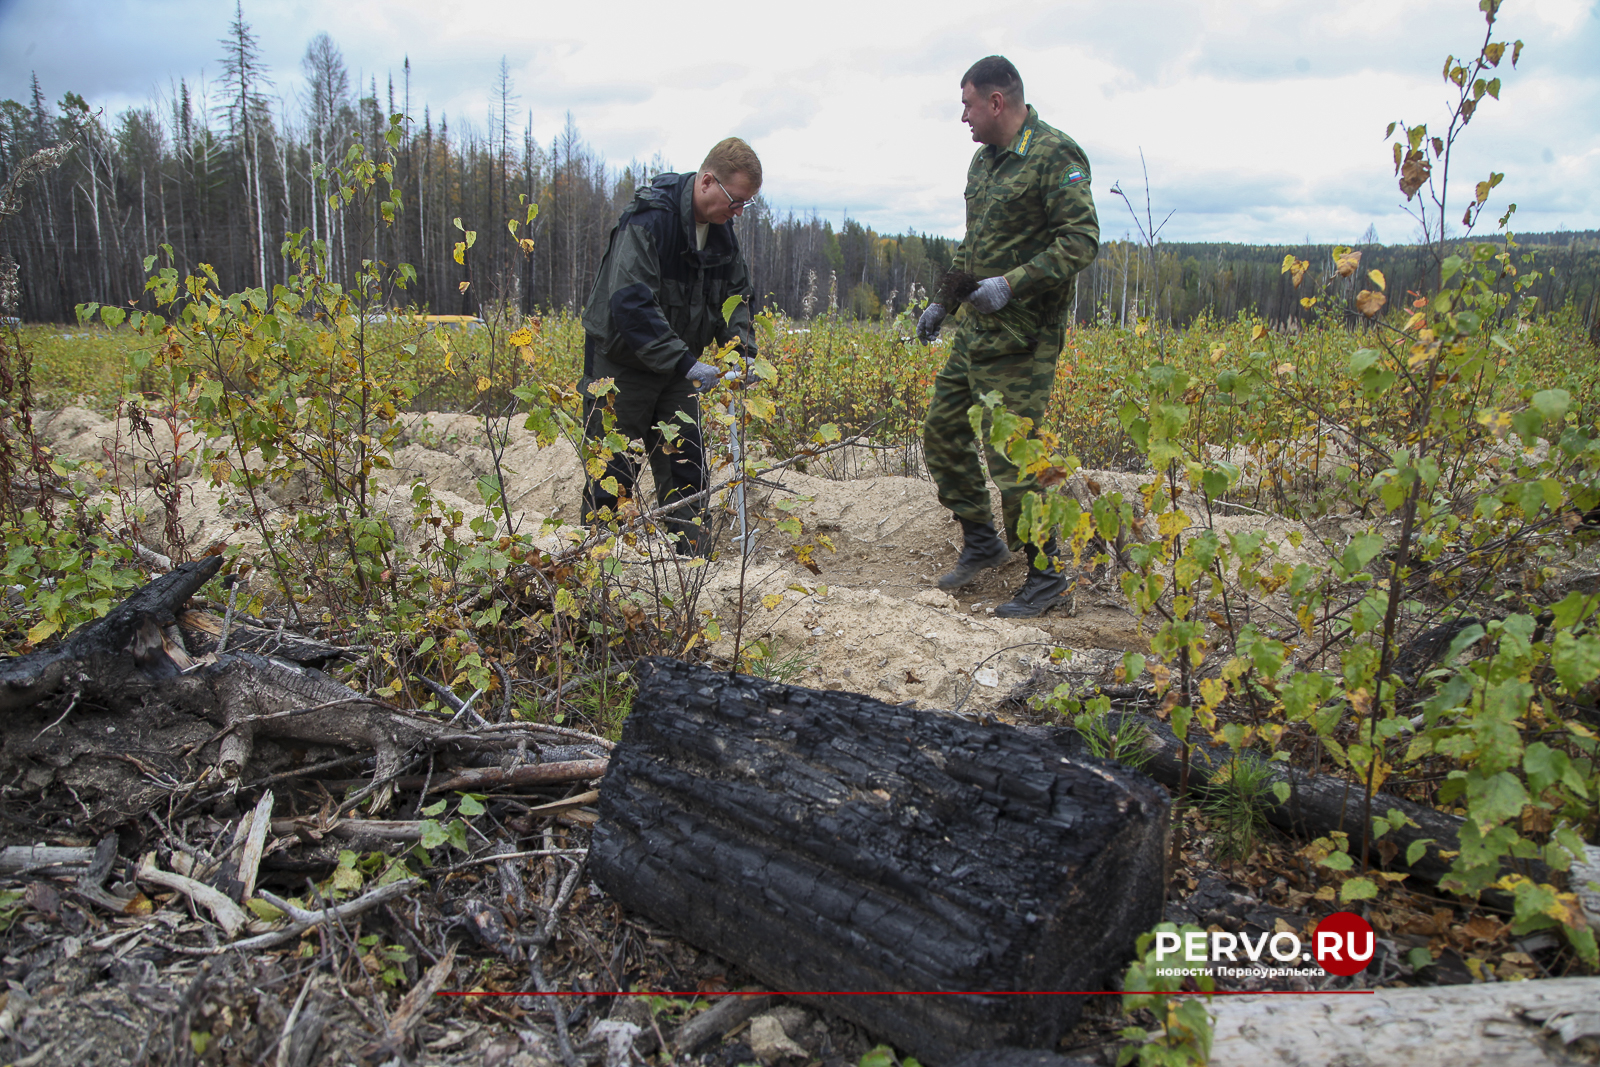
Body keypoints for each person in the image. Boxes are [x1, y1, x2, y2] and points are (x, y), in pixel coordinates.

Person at [917, 56, 1100, 617]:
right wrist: (943, 300)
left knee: (1014, 455)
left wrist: (1011, 285)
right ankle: (983, 543)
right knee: (943, 432)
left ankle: (1046, 575)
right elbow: (973, 246)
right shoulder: (984, 163)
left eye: (968, 104)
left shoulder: (1054, 154)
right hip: (977, 332)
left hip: (1023, 336)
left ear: (997, 102)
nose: (963, 116)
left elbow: (1082, 241)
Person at [578, 138, 761, 555]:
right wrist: (684, 361)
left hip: (679, 372)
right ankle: (601, 574)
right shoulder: (650, 221)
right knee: (613, 473)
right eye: (735, 201)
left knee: (687, 473)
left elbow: (736, 297)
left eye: (745, 205)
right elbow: (631, 302)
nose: (737, 213)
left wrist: (740, 352)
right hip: (621, 365)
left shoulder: (721, 235)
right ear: (707, 181)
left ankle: (692, 574)